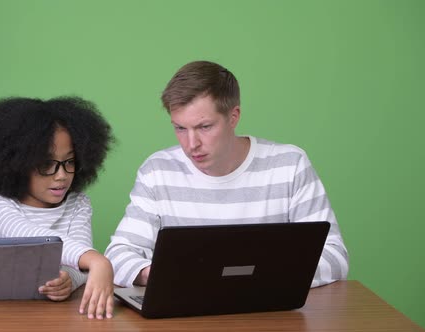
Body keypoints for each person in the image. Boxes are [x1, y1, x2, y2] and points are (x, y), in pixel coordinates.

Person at [104, 60, 349, 288]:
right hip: (185, 313)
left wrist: (257, 277)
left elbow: (334, 256)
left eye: (205, 127)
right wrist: (157, 275)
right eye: (180, 128)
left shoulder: (289, 165)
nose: (191, 144)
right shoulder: (157, 171)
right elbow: (118, 255)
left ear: (234, 116)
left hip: (268, 313)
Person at [0, 96, 115, 319]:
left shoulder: (78, 204)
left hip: (55, 318)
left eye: (70, 162)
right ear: (16, 165)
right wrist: (96, 259)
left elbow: (80, 268)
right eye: (46, 164)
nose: (62, 175)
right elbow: (31, 239)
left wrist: (68, 280)